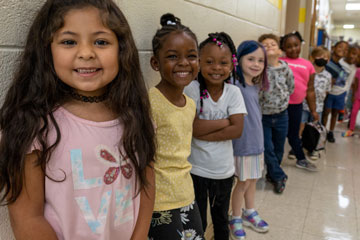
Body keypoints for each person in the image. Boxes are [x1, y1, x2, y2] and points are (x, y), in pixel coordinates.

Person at [0, 0, 156, 239]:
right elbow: (28, 219)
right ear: (46, 49)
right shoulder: (34, 124)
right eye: (69, 42)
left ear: (122, 48)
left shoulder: (136, 115)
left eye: (101, 42)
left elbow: (146, 183)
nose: (86, 53)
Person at [184, 32, 246, 240]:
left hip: (223, 172)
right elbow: (191, 128)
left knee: (220, 219)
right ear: (199, 62)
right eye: (209, 62)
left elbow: (237, 130)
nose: (216, 68)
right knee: (197, 220)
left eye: (223, 63)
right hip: (196, 170)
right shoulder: (191, 89)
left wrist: (202, 129)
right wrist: (224, 122)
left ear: (232, 65)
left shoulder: (233, 92)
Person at [147, 13, 204, 240]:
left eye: (191, 56)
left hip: (186, 195)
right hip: (159, 203)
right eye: (172, 56)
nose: (183, 63)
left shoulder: (190, 104)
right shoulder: (149, 102)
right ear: (155, 62)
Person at [228, 40, 269, 240]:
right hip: (243, 145)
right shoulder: (234, 84)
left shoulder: (255, 85)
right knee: (242, 182)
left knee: (253, 180)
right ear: (239, 59)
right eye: (250, 59)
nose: (256, 64)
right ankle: (235, 217)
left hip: (256, 142)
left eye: (260, 60)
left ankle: (249, 211)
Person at [258, 34, 294, 193]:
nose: (270, 46)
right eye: (265, 45)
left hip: (281, 115)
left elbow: (290, 87)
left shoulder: (286, 67)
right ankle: (279, 176)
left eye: (273, 44)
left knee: (279, 148)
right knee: (267, 148)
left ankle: (273, 174)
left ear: (280, 50)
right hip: (263, 116)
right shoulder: (260, 69)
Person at [280, 31, 318, 171]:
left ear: (300, 45)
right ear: (283, 48)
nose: (293, 49)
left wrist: (313, 110)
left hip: (296, 106)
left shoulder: (308, 65)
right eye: (288, 46)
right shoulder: (280, 62)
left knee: (294, 135)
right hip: (279, 107)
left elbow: (310, 90)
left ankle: (301, 159)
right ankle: (273, 163)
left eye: (296, 45)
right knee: (278, 136)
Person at [299, 47, 331, 160]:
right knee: (301, 126)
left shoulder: (328, 76)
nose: (323, 59)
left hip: (318, 107)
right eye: (320, 56)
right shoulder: (307, 70)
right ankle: (297, 147)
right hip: (303, 104)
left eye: (325, 57)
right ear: (312, 57)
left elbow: (327, 91)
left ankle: (312, 148)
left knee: (314, 128)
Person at [321, 41, 349, 142]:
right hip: (328, 93)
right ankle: (322, 131)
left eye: (346, 49)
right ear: (333, 48)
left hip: (340, 93)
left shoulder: (345, 65)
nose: (343, 50)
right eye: (340, 47)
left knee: (335, 113)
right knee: (326, 112)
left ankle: (331, 132)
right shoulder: (327, 61)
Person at [343, 66, 360, 137]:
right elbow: (355, 83)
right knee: (353, 112)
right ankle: (351, 129)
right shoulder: (358, 71)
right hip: (358, 96)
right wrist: (353, 95)